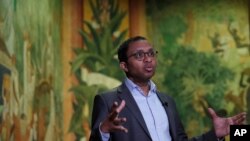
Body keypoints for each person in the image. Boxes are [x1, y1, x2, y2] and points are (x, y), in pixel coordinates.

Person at [89, 36, 246, 141]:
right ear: (124, 65)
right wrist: (103, 130)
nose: (148, 59)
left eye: (151, 53)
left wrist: (215, 134)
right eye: (139, 55)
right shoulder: (107, 100)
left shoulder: (167, 101)